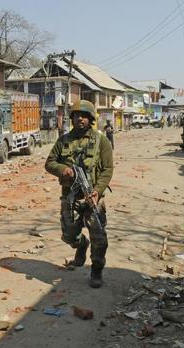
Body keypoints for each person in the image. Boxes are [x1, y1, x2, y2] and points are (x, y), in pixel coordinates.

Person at [45, 100, 114, 288]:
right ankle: (81, 245)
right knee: (68, 235)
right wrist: (62, 170)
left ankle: (96, 270)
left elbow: (107, 169)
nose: (80, 119)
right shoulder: (63, 141)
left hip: (93, 196)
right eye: (76, 115)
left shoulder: (102, 141)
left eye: (84, 116)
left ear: (91, 119)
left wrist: (97, 192)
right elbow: (49, 162)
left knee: (99, 236)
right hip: (71, 196)